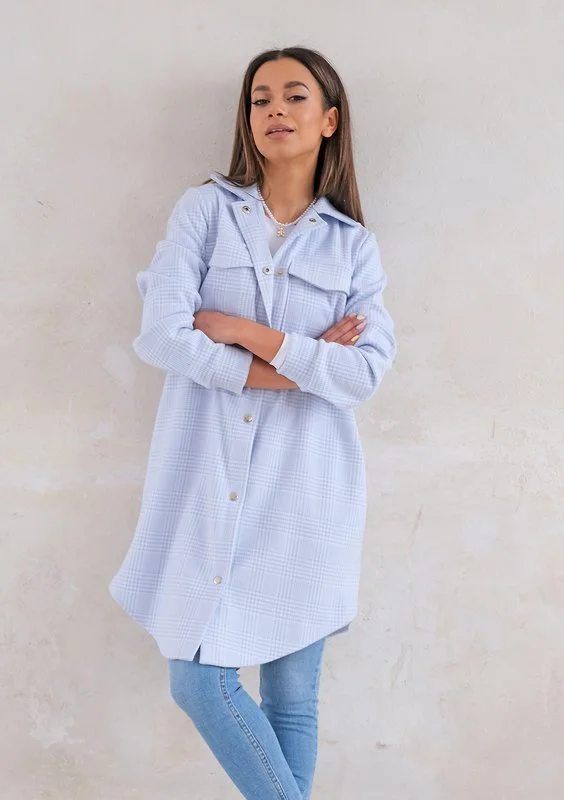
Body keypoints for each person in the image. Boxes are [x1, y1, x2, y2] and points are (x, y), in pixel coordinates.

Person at [109, 45, 396, 799]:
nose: (274, 110)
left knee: (293, 700)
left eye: (295, 96)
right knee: (199, 681)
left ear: (329, 120)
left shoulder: (352, 246)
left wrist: (242, 331)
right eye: (260, 98)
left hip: (307, 492)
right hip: (208, 487)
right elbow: (163, 336)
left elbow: (363, 374)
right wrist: (302, 366)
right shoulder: (204, 212)